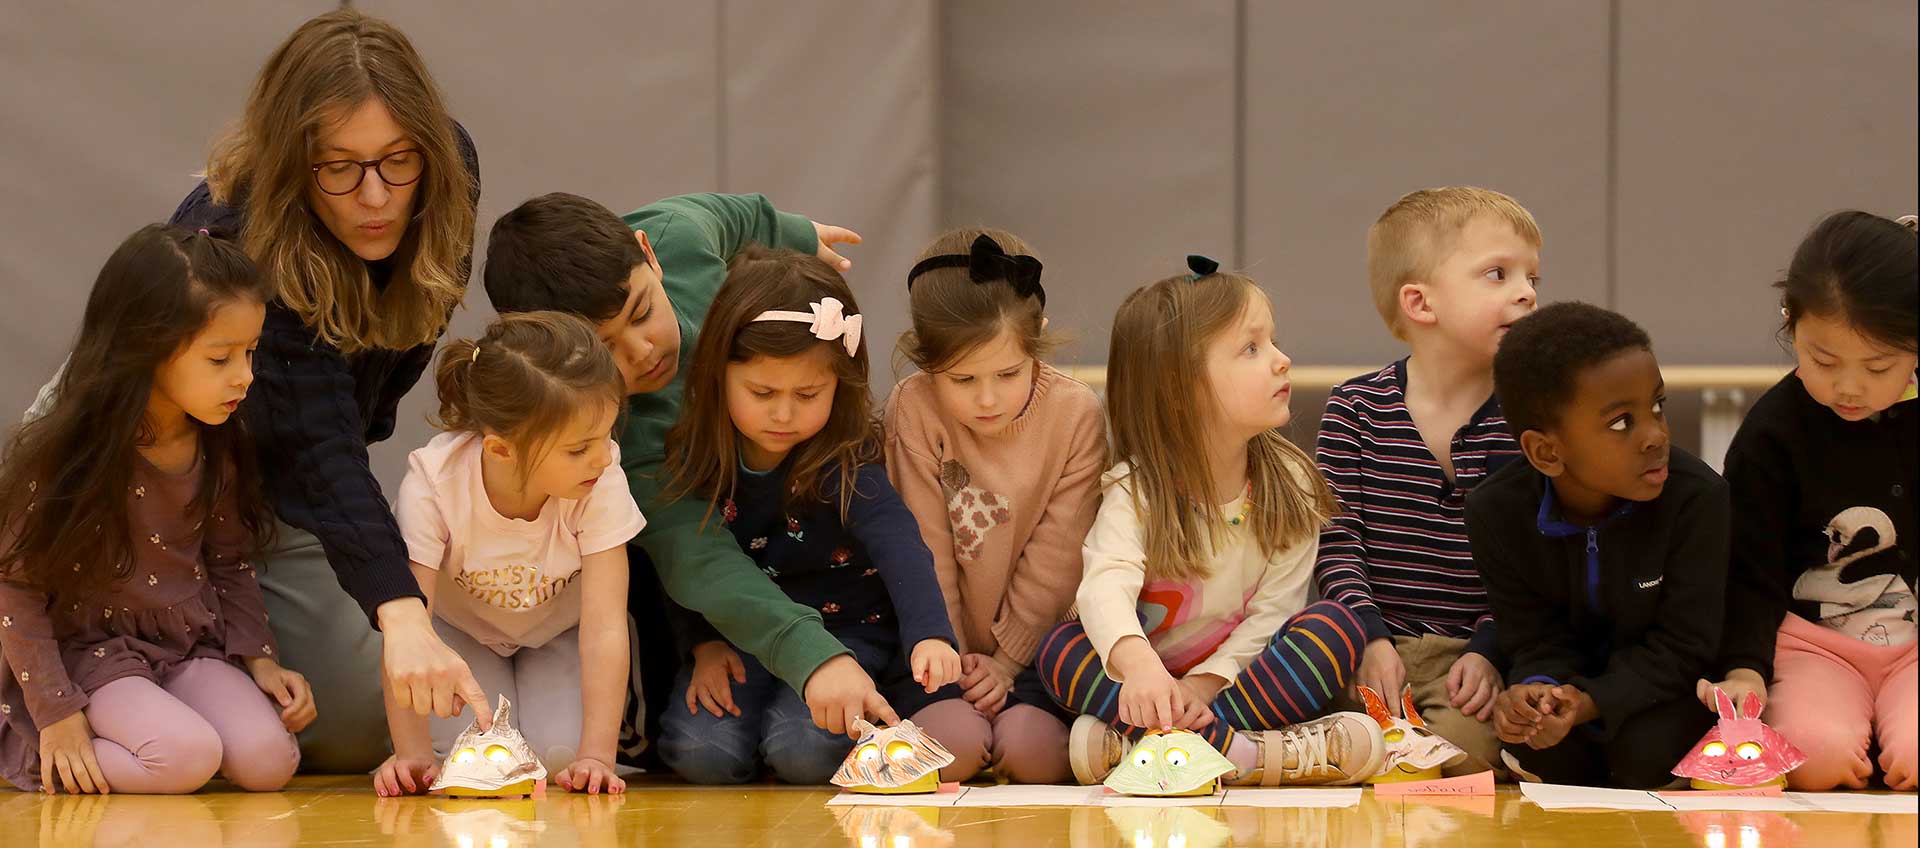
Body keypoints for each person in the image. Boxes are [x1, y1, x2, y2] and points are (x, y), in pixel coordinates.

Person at [481, 193, 889, 749]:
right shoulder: (618, 444)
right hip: (705, 573)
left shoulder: (677, 235)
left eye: (642, 312)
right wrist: (811, 655)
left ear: (649, 254)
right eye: (604, 349)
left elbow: (731, 216)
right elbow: (699, 558)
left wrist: (791, 231)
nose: (643, 350)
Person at [1036, 258, 1385, 787]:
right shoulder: (1136, 489)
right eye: (1252, 349)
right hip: (1143, 684)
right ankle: (1241, 754)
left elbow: (1273, 615)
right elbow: (1105, 586)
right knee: (1059, 649)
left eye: (1272, 342)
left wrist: (1201, 687)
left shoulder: (1290, 482)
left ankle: (1160, 748)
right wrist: (1142, 668)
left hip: (1232, 687)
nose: (1283, 360)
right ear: (1181, 390)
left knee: (1336, 628)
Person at [0, 225, 309, 793]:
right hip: (91, 655)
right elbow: (15, 589)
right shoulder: (68, 454)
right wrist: (55, 711)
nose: (245, 376)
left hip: (188, 646)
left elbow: (229, 562)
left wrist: (260, 659)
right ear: (146, 348)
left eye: (250, 353)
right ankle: (32, 753)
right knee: (186, 758)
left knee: (269, 762)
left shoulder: (219, 443)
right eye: (220, 358)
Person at [655, 248, 960, 784]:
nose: (783, 413)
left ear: (841, 383)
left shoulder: (847, 461)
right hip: (739, 636)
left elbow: (902, 548)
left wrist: (931, 635)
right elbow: (682, 562)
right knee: (701, 751)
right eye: (762, 392)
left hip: (848, 636)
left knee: (803, 752)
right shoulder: (695, 457)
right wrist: (701, 644)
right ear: (718, 375)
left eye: (807, 393)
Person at [1315, 187, 1539, 773]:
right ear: (1420, 302)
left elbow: (1531, 563)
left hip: (1468, 661)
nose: (1527, 292)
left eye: (1532, 276)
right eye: (1498, 274)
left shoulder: (1531, 421)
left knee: (1467, 756)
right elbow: (1337, 541)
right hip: (1362, 647)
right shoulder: (1355, 408)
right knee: (1322, 730)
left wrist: (1489, 650)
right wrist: (1369, 639)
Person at [375, 313, 642, 797]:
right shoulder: (434, 484)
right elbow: (412, 628)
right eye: (579, 448)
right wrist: (411, 751)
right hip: (461, 636)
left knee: (559, 758)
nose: (603, 457)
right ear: (501, 450)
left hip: (559, 634)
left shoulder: (600, 477)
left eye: (607, 435)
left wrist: (597, 756)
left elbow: (605, 626)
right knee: (472, 759)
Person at [1473, 302, 1727, 788]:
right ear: (1546, 451)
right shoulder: (1496, 511)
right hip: (1574, 689)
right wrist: (1537, 695)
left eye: (1657, 406)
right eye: (1620, 423)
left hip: (1664, 690)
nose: (1655, 436)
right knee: (1537, 750)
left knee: (1642, 756)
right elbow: (1533, 639)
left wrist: (1590, 701)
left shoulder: (1699, 498)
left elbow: (1686, 647)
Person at [884, 227, 1106, 783]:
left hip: (1036, 654)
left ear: (1038, 341)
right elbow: (922, 547)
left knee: (1033, 754)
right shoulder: (912, 408)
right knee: (952, 748)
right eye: (962, 379)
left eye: (1008, 374)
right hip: (935, 650)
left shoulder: (1076, 414)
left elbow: (1058, 558)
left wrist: (1006, 665)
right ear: (926, 358)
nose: (987, 399)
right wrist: (951, 657)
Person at [1704, 211, 1917, 791]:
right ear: (1790, 324)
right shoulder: (1772, 434)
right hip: (1813, 648)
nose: (1849, 386)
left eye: (1879, 366)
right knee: (1812, 759)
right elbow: (1747, 569)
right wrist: (1744, 667)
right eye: (1824, 360)